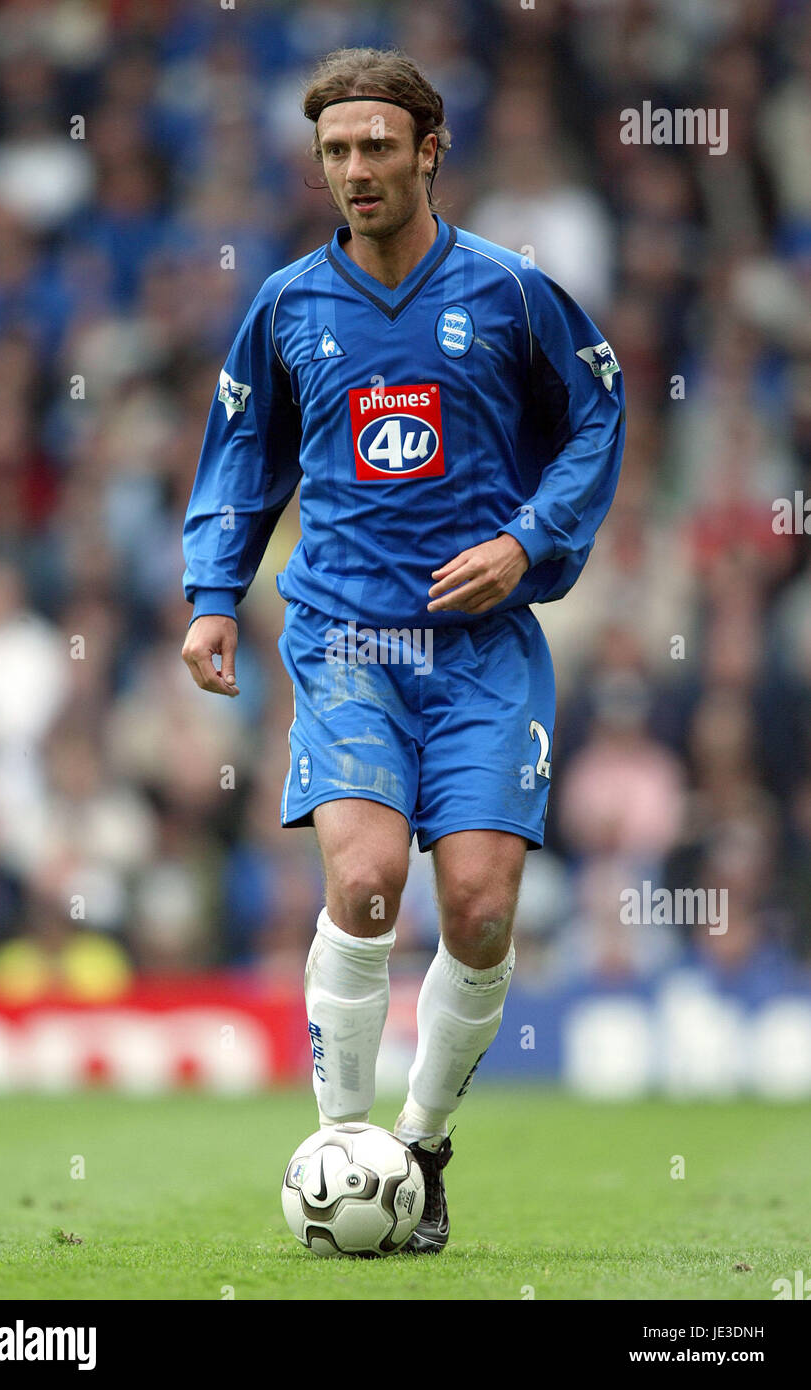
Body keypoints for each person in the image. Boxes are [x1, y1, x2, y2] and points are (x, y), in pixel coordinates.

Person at [182, 46, 625, 1254]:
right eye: (334, 150)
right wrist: (213, 594)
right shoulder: (285, 305)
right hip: (343, 638)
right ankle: (339, 1143)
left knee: (477, 908)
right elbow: (239, 457)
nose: (355, 169)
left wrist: (528, 541)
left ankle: (419, 1148)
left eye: (377, 145)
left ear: (430, 150)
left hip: (482, 646)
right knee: (366, 880)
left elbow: (597, 408)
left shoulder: (510, 291)